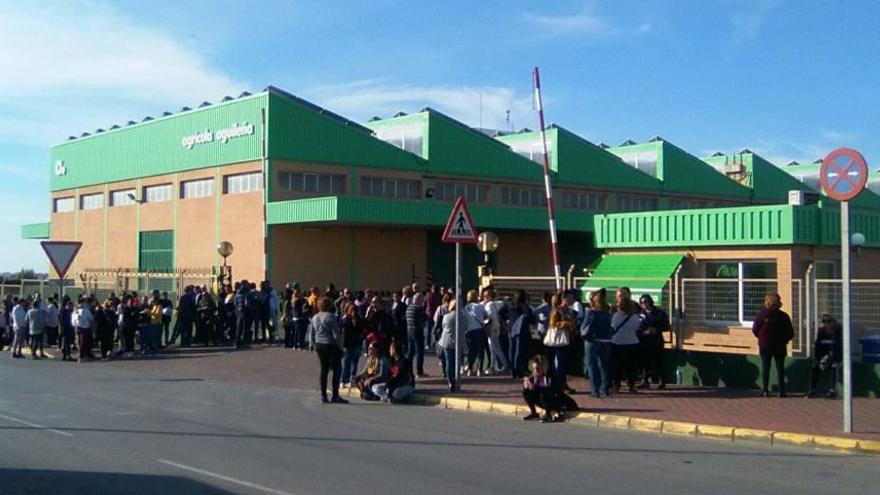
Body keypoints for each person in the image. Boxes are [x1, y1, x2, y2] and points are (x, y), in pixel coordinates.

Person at [752, 293, 794, 397]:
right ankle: (781, 391)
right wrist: (784, 340)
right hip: (779, 345)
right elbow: (790, 332)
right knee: (780, 367)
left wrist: (762, 338)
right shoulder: (784, 316)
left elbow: (755, 329)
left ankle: (765, 390)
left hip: (765, 345)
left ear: (767, 302)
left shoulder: (761, 315)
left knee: (766, 367)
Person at [309, 296, 347, 404]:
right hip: (331, 344)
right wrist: (340, 347)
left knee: (324, 369)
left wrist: (313, 345)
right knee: (337, 369)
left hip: (319, 344)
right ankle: (335, 395)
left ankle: (323, 396)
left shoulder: (315, 317)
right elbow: (336, 334)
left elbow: (311, 334)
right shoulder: (332, 317)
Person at [582, 289, 612, 398]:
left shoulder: (591, 312)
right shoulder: (607, 312)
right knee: (604, 366)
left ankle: (595, 390)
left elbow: (583, 327)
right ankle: (605, 388)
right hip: (606, 340)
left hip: (593, 341)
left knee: (592, 366)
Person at [611, 288, 641, 393]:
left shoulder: (615, 316)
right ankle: (631, 385)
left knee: (617, 366)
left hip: (617, 342)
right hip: (632, 342)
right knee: (631, 366)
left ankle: (617, 385)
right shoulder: (635, 317)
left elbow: (613, 326)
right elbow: (637, 327)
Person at [807, 314, 843, 398]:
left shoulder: (838, 332)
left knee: (834, 367)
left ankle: (832, 390)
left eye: (829, 321)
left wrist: (835, 359)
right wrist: (818, 359)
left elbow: (839, 348)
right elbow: (817, 346)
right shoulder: (821, 332)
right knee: (815, 367)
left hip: (834, 357)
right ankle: (812, 390)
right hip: (823, 358)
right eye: (824, 321)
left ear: (833, 322)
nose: (826, 323)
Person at [638, 294, 670, 389]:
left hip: (656, 341)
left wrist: (656, 329)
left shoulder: (659, 313)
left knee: (659, 361)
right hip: (644, 341)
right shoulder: (639, 314)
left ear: (650, 302)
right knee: (644, 362)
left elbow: (666, 326)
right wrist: (643, 332)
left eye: (645, 302)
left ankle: (662, 381)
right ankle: (645, 380)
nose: (644, 304)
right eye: (642, 302)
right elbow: (636, 327)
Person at [545, 293, 575, 391]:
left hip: (566, 338)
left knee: (564, 362)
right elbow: (552, 323)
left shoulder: (570, 311)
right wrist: (565, 324)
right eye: (570, 298)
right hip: (558, 339)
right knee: (559, 362)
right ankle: (558, 383)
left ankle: (562, 382)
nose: (572, 300)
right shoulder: (558, 310)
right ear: (564, 299)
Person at [521, 355, 564, 423]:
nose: (535, 371)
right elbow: (530, 385)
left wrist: (536, 387)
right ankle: (533, 413)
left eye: (537, 369)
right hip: (542, 401)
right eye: (534, 369)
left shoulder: (551, 376)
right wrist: (526, 385)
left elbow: (551, 390)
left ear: (544, 367)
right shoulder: (534, 375)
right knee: (525, 392)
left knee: (543, 394)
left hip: (554, 401)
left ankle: (548, 415)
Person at [439, 299, 465, 391]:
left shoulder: (446, 317)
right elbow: (466, 327)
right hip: (458, 342)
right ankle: (456, 379)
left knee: (449, 362)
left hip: (447, 342)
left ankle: (451, 381)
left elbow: (443, 327)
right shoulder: (462, 316)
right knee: (457, 362)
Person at [508, 290, 534, 378]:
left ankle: (513, 369)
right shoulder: (525, 307)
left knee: (512, 350)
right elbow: (529, 317)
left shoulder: (511, 306)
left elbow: (501, 313)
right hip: (521, 330)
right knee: (519, 352)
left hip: (512, 329)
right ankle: (518, 369)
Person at [483, 287, 509, 374]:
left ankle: (505, 365)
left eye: (486, 296)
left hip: (492, 328)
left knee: (496, 348)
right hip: (496, 328)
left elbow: (490, 318)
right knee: (492, 349)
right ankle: (492, 367)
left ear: (490, 297)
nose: (484, 298)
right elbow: (503, 302)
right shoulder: (497, 303)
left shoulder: (489, 306)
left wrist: (488, 328)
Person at [340, 302, 365, 387]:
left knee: (349, 363)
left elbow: (341, 329)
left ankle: (346, 380)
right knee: (351, 363)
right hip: (353, 344)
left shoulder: (348, 319)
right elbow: (362, 332)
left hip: (351, 344)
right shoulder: (355, 320)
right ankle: (348, 380)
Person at [464, 289, 488, 376]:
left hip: (469, 331)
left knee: (471, 351)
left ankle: (470, 369)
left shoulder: (465, 308)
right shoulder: (480, 306)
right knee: (480, 350)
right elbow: (486, 316)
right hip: (479, 330)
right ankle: (480, 369)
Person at [405, 292, 428, 377]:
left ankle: (409, 371)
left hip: (409, 329)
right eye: (422, 299)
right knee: (420, 352)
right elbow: (425, 317)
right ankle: (419, 371)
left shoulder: (409, 308)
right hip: (417, 330)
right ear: (418, 300)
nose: (423, 301)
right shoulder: (419, 308)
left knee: (410, 352)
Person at [74, 297, 94, 362]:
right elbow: (91, 319)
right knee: (83, 342)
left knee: (79, 342)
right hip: (84, 328)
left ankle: (81, 355)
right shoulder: (85, 310)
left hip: (78, 327)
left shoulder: (76, 310)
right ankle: (81, 356)